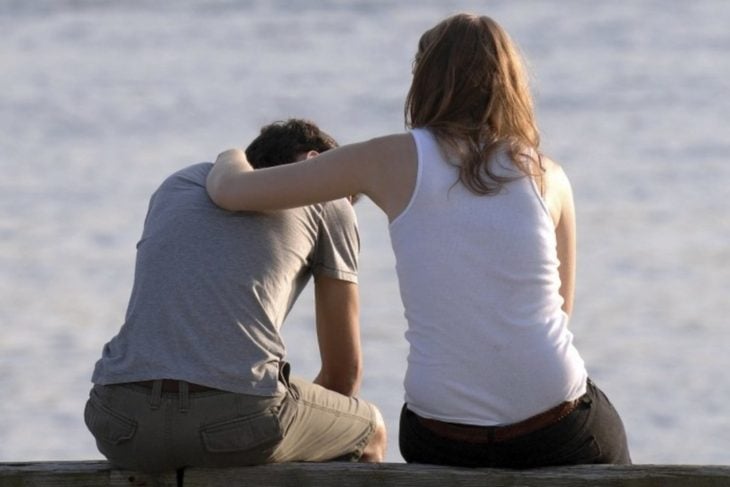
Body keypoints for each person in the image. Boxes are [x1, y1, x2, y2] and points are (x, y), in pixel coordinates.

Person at [205, 13, 631, 468]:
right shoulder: (549, 176)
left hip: (441, 433)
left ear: (424, 80)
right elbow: (559, 313)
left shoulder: (388, 158)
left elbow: (231, 192)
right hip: (554, 427)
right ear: (510, 82)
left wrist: (230, 155)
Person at [85, 119, 387, 473]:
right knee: (370, 432)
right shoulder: (329, 196)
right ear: (314, 161)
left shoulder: (178, 185)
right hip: (235, 419)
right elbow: (343, 376)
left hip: (118, 418)